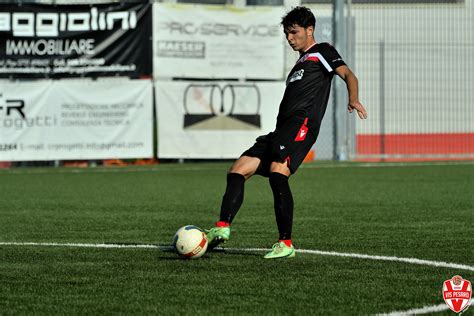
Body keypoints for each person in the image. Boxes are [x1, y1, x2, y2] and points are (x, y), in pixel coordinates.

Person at [206, 6, 368, 259]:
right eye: (286, 34)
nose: (290, 38)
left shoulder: (322, 51)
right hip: (281, 129)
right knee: (238, 170)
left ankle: (286, 244)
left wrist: (354, 98)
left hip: (301, 125)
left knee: (277, 174)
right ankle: (222, 228)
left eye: (294, 32)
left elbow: (348, 74)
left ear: (309, 29)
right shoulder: (300, 63)